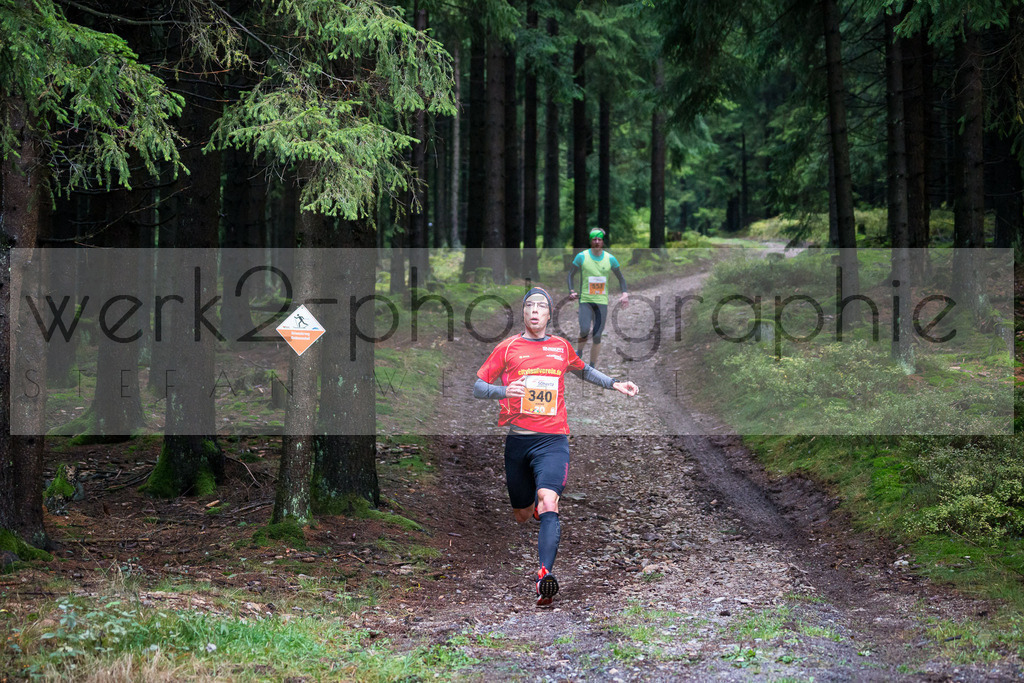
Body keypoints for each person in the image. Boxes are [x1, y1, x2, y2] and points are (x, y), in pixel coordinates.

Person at [474, 287, 639, 606]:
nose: (535, 310)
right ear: (523, 313)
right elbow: (478, 386)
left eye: (541, 306)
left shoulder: (561, 347)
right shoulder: (507, 348)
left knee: (549, 502)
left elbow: (584, 370)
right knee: (522, 514)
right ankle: (533, 509)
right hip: (519, 441)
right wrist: (505, 391)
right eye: (529, 306)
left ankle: (544, 576)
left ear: (549, 314)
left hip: (553, 440)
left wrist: (615, 384)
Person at [567, 228, 629, 368]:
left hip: (601, 302)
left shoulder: (610, 259)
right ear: (590, 241)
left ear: (602, 241)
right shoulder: (582, 257)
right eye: (594, 239)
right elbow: (571, 274)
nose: (596, 242)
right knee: (584, 329)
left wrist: (625, 293)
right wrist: (571, 291)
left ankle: (592, 365)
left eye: (599, 239)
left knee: (596, 335)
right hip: (585, 301)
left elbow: (621, 278)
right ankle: (579, 352)